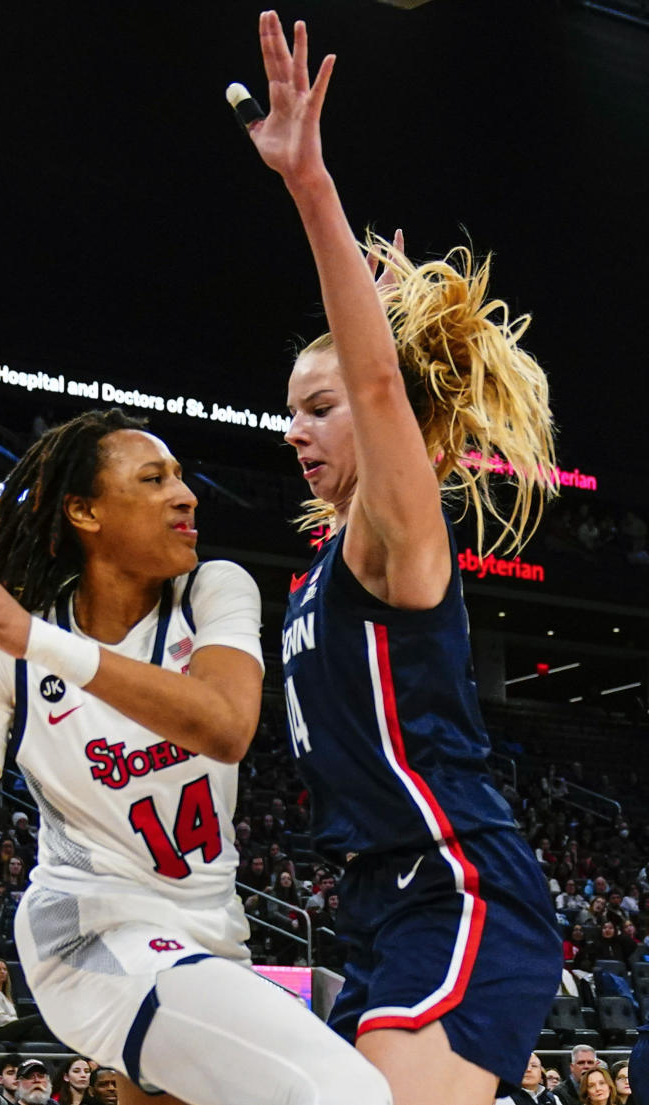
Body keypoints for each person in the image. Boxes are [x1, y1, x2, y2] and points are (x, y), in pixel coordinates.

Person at [0, 406, 391, 1105]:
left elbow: (225, 726)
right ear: (84, 510)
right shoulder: (6, 658)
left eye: (182, 479)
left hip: (210, 936)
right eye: (154, 479)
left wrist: (36, 637)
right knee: (343, 1089)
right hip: (92, 937)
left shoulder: (214, 590)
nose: (185, 495)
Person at [233, 11, 561, 1105]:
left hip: (459, 886)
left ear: (402, 433)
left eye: (316, 406)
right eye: (290, 412)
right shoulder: (318, 576)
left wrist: (308, 189)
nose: (297, 429)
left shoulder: (395, 535)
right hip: (379, 900)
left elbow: (381, 385)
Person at [0, 958, 46, 1043]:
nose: (2, 972)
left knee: (37, 1030)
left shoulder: (5, 995)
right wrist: (18, 1023)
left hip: (10, 1027)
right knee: (40, 1017)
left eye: (4, 969)